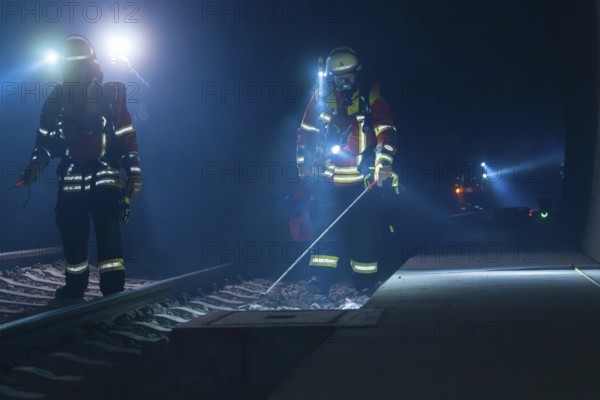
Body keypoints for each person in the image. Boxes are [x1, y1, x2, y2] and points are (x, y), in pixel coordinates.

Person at [21, 34, 142, 299]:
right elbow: (43, 142)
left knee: (109, 240)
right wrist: (34, 166)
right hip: (72, 184)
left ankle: (112, 292)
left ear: (90, 65)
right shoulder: (55, 100)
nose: (75, 71)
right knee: (73, 239)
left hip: (105, 181)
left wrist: (133, 171)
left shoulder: (111, 95)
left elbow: (125, 136)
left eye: (80, 65)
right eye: (70, 66)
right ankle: (75, 289)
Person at [295, 46, 399, 294]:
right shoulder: (322, 99)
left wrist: (384, 162)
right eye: (339, 77)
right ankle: (320, 281)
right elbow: (306, 132)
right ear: (331, 76)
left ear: (358, 74)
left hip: (364, 181)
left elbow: (386, 131)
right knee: (325, 230)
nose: (344, 81)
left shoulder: (372, 98)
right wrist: (304, 165)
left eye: (349, 76)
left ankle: (364, 283)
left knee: (365, 233)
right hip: (330, 182)